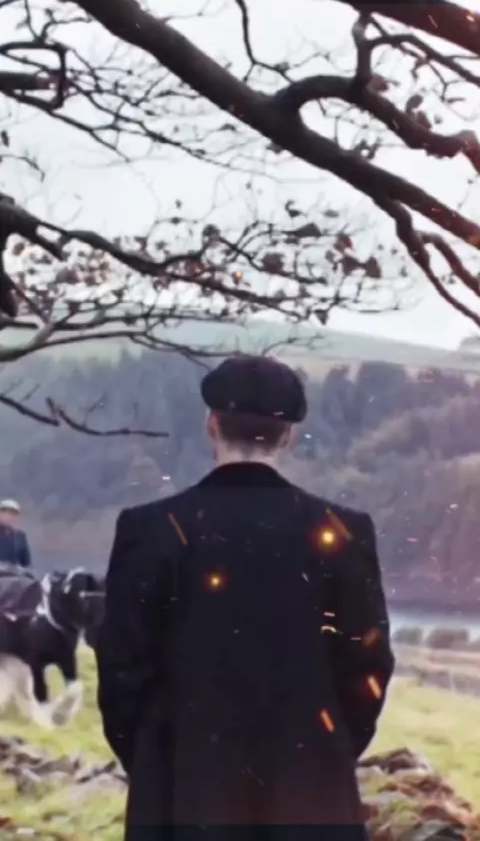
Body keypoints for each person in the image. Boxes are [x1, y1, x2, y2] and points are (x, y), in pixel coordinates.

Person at [96, 354, 395, 841]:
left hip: (181, 794)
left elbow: (121, 669)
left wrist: (156, 761)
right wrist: (327, 752)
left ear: (211, 425)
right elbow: (368, 667)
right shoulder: (345, 533)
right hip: (312, 796)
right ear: (289, 435)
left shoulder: (148, 530)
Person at [0, 499, 32, 569]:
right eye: (6, 514)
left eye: (13, 515)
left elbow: (25, 563)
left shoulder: (20, 537)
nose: (10, 517)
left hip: (14, 573)